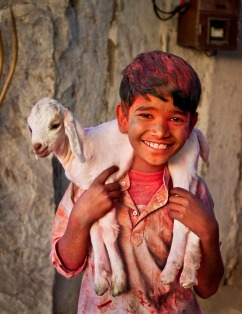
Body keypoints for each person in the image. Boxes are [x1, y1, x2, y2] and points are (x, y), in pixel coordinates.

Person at [50, 50, 224, 313]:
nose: (160, 131)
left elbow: (207, 288)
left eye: (175, 118)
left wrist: (209, 232)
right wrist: (80, 218)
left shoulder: (193, 192)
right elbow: (67, 265)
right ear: (122, 118)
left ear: (191, 125)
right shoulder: (90, 185)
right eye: (146, 115)